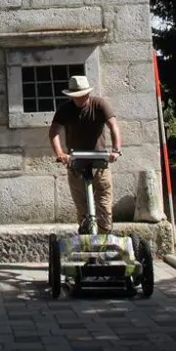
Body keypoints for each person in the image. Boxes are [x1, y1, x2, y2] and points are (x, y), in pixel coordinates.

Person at [49, 75, 121, 234]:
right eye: (76, 96)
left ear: (88, 93)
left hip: (99, 161)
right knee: (81, 205)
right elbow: (54, 132)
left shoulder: (100, 105)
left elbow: (113, 126)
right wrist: (60, 153)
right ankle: (85, 234)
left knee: (104, 203)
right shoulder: (65, 109)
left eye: (82, 95)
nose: (79, 99)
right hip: (76, 162)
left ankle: (104, 236)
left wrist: (116, 150)